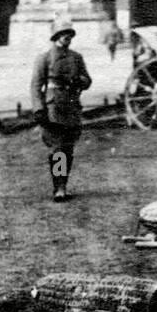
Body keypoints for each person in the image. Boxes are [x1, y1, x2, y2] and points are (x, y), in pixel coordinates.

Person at [31, 18, 92, 202]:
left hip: (72, 106)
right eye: (63, 34)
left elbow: (87, 80)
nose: (67, 37)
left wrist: (80, 81)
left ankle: (63, 184)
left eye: (70, 34)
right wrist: (38, 109)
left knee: (68, 149)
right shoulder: (45, 58)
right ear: (56, 36)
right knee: (57, 150)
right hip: (53, 108)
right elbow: (35, 86)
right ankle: (59, 187)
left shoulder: (76, 57)